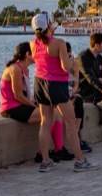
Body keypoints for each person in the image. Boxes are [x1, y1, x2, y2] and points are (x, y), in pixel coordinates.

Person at [29, 13, 97, 172]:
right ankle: (80, 161)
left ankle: (45, 161)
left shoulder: (33, 43)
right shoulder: (59, 43)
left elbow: (42, 58)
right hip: (56, 84)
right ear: (48, 26)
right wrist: (72, 62)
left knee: (45, 122)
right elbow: (66, 67)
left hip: (39, 83)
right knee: (71, 123)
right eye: (51, 22)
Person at [0, 42, 72, 161]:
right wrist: (33, 105)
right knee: (50, 116)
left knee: (57, 113)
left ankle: (59, 149)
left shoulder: (25, 69)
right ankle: (41, 153)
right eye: (34, 53)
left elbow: (26, 95)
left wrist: (36, 102)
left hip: (22, 104)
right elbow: (17, 95)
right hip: (11, 107)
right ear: (27, 54)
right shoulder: (15, 69)